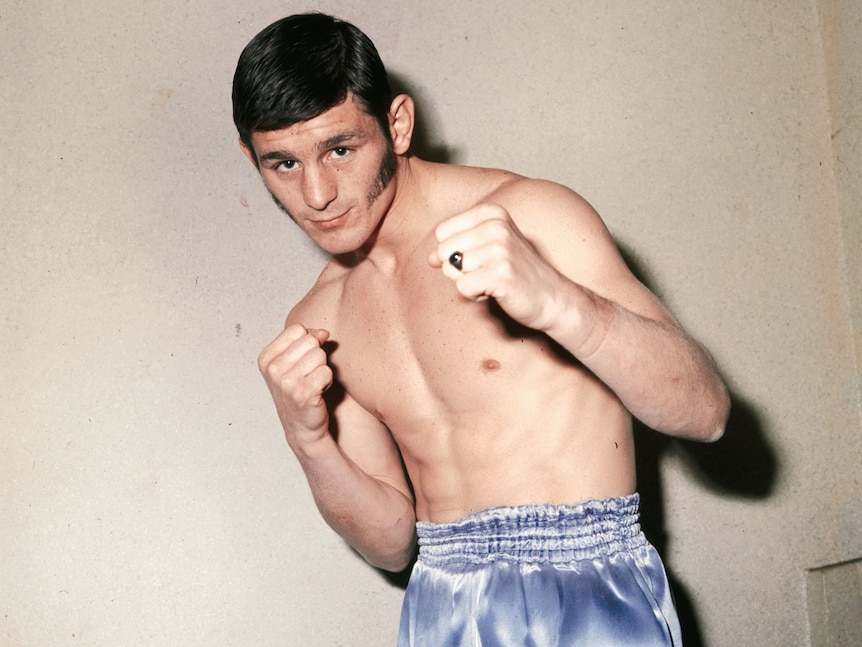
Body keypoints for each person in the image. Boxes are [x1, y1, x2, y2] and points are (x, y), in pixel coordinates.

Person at [232, 12, 730, 647]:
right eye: (282, 164)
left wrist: (558, 302)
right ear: (252, 157)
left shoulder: (531, 215)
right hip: (439, 608)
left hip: (586, 594)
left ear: (397, 124)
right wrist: (309, 444)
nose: (317, 192)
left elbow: (706, 412)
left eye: (339, 149)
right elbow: (390, 544)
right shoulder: (318, 321)